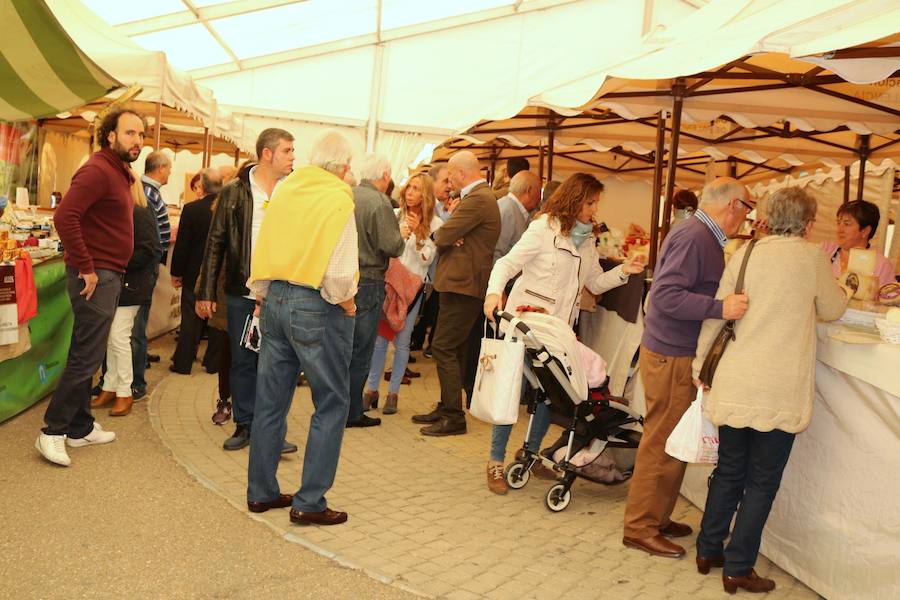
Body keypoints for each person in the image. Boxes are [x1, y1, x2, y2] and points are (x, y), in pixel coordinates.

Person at [692, 187, 850, 594]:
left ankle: (709, 549)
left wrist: (699, 367)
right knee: (761, 481)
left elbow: (717, 315)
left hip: (737, 377)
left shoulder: (744, 253)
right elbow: (832, 308)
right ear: (808, 222)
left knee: (728, 470)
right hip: (777, 389)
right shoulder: (812, 257)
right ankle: (739, 567)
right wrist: (846, 288)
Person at [483, 173, 646, 494]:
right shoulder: (543, 229)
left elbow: (595, 283)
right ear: (575, 200)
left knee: (551, 393)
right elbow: (507, 263)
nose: (594, 209)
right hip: (525, 324)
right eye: (590, 202)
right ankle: (495, 461)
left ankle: (530, 454)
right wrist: (493, 293)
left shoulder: (586, 240)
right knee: (509, 390)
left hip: (558, 332)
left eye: (596, 202)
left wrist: (624, 271)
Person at [621, 177, 752, 558]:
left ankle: (655, 517)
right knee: (662, 442)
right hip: (672, 353)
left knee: (671, 441)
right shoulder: (696, 237)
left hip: (673, 350)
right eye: (746, 208)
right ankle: (640, 526)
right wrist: (719, 307)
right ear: (733, 206)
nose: (745, 217)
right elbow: (666, 296)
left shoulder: (697, 234)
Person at [245, 130, 359, 526]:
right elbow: (340, 273)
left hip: (274, 299)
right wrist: (349, 304)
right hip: (316, 306)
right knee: (330, 403)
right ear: (345, 167)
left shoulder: (288, 188)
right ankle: (309, 502)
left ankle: (261, 492)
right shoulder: (338, 198)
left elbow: (263, 244)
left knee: (271, 402)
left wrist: (260, 292)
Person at [36, 108, 145, 467]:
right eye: (130, 133)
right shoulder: (98, 169)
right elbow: (64, 216)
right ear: (110, 135)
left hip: (107, 274)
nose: (138, 141)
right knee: (85, 357)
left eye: (141, 135)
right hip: (94, 276)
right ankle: (52, 431)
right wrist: (86, 266)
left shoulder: (118, 172)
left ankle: (80, 427)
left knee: (90, 353)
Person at [196, 129, 298, 453]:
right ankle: (245, 424)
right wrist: (206, 292)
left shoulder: (293, 191)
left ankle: (272, 433)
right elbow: (215, 243)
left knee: (276, 363)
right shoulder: (234, 192)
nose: (293, 157)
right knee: (242, 360)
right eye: (287, 151)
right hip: (242, 290)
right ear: (267, 154)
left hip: (281, 291)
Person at [412, 151, 501, 436]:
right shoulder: (478, 199)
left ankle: (453, 416)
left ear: (461, 174)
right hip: (462, 284)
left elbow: (444, 235)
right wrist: (450, 232)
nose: (449, 184)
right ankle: (447, 405)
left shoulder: (477, 199)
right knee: (456, 348)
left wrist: (448, 233)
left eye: (450, 177)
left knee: (444, 347)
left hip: (463, 284)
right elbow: (450, 234)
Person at [365, 173, 442, 415]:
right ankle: (371, 390)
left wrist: (420, 239)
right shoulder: (394, 214)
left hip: (412, 290)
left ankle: (394, 393)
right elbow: (386, 249)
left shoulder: (436, 225)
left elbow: (427, 261)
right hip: (389, 286)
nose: (410, 192)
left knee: (402, 342)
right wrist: (400, 234)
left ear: (426, 195)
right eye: (409, 187)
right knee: (379, 341)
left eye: (417, 189)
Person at [346, 154, 406, 428]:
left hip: (343, 277)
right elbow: (393, 246)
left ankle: (339, 405)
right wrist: (402, 232)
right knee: (361, 349)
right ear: (384, 174)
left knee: (343, 346)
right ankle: (352, 411)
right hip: (368, 280)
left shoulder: (347, 194)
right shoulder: (379, 202)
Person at [92, 183, 158, 417]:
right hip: (118, 284)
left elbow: (149, 251)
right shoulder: (120, 211)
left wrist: (115, 261)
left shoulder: (139, 212)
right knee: (112, 337)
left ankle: (125, 391)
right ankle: (110, 386)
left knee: (119, 337)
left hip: (132, 286)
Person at [170, 168, 224, 374]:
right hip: (219, 273)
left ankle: (183, 363)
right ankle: (213, 363)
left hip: (193, 272)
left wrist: (176, 273)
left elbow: (183, 245)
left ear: (202, 186)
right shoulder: (228, 208)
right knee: (217, 321)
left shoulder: (192, 209)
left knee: (190, 319)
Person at [130, 151, 172, 399]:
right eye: (169, 168)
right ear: (161, 167)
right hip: (144, 267)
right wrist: (154, 258)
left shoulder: (148, 190)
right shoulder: (145, 191)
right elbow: (151, 237)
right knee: (136, 326)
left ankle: (134, 379)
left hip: (147, 265)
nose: (170, 173)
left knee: (137, 325)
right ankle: (136, 382)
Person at [410, 163, 454, 355]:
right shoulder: (427, 209)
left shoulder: (449, 208)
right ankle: (410, 347)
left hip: (437, 274)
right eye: (445, 181)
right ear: (432, 182)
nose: (449, 186)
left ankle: (416, 347)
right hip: (418, 272)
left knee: (428, 311)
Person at [821, 199, 895, 286]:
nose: (839, 230)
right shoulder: (825, 251)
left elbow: (890, 296)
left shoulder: (880, 265)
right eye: (838, 223)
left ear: (865, 231)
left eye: (847, 224)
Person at [493, 171, 542, 263]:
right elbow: (496, 252)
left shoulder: (512, 208)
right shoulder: (508, 210)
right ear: (529, 190)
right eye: (539, 191)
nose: (539, 197)